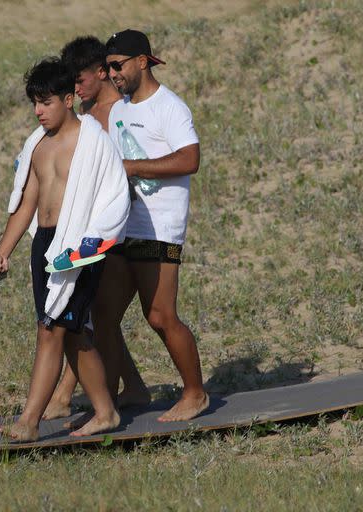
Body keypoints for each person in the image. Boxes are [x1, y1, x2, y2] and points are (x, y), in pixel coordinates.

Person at [0, 58, 131, 441]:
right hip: (46, 246)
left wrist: (91, 244)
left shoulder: (93, 141)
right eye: (34, 102)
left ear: (69, 99)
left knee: (50, 330)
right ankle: (105, 412)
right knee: (70, 334)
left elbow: (116, 196)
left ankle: (29, 422)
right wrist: (4, 250)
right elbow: (27, 202)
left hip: (79, 248)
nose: (38, 111)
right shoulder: (37, 146)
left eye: (46, 102)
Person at [42, 36, 150, 421]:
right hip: (86, 229)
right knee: (97, 316)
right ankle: (133, 387)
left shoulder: (121, 111)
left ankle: (65, 395)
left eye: (79, 79)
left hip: (122, 229)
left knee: (87, 315)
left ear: (101, 72)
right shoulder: (83, 114)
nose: (74, 87)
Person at [104, 29, 209, 421]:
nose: (112, 74)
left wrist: (133, 167)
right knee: (102, 315)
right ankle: (110, 401)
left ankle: (195, 393)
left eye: (118, 65)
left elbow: (189, 160)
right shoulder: (118, 110)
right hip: (122, 227)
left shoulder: (170, 107)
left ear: (143, 61)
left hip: (159, 228)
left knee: (161, 315)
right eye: (108, 67)